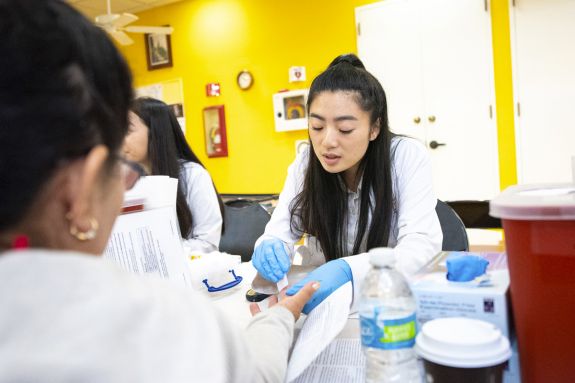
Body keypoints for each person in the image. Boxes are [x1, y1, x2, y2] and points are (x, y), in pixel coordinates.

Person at [0, 1, 317, 381]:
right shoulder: (164, 328)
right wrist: (280, 318)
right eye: (119, 172)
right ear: (79, 193)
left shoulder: (190, 176)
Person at [252, 53, 442, 313]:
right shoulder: (306, 162)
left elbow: (421, 248)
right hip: (325, 307)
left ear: (374, 128)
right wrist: (270, 246)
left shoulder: (405, 156)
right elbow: (279, 231)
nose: (327, 141)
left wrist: (349, 270)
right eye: (317, 127)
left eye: (344, 130)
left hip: (387, 304)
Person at [123, 97, 224, 253]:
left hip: (189, 271)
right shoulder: (128, 180)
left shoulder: (193, 175)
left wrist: (159, 252)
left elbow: (207, 243)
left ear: (155, 132)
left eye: (127, 130)